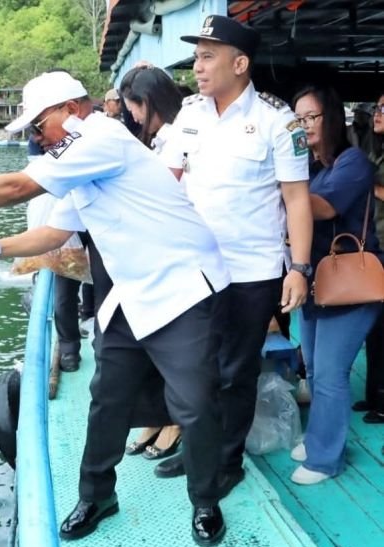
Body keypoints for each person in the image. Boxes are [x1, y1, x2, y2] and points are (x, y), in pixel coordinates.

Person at [0, 70, 240, 547]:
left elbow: (19, 187)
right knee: (107, 399)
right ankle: (97, 495)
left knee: (196, 402)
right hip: (132, 291)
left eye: (40, 126)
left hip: (182, 286)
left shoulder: (101, 138)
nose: (38, 139)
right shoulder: (79, 161)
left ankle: (205, 502)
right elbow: (54, 233)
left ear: (72, 110)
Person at [154, 15, 313, 496]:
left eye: (207, 56)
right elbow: (167, 183)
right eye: (197, 56)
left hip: (251, 272)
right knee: (192, 369)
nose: (197, 67)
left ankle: (226, 462)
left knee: (235, 372)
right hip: (193, 267)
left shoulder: (276, 120)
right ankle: (198, 447)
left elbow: (296, 199)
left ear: (239, 63)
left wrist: (300, 269)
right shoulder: (189, 114)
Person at [289, 85, 382, 484]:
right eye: (297, 118)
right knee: (312, 365)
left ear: (332, 118)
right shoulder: (311, 166)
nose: (303, 125)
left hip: (350, 282)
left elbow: (323, 207)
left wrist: (282, 188)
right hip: (317, 281)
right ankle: (317, 440)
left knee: (329, 372)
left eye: (311, 117)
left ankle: (325, 459)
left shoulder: (353, 162)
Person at [117, 65, 186, 461]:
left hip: (179, 259)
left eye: (135, 109)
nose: (135, 118)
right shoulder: (158, 140)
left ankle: (176, 420)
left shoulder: (179, 138)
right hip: (158, 257)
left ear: (150, 102)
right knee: (154, 348)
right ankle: (160, 414)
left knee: (175, 351)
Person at [25, 137, 92, 371]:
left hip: (68, 223)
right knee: (69, 288)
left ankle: (69, 351)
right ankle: (70, 351)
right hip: (80, 222)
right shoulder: (81, 144)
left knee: (65, 289)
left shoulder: (44, 166)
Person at [359, 94, 384, 424]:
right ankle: (373, 394)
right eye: (377, 108)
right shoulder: (374, 149)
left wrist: (365, 185)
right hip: (376, 249)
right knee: (374, 329)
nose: (377, 114)